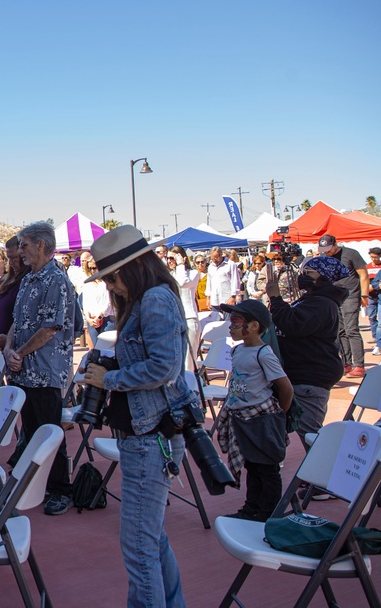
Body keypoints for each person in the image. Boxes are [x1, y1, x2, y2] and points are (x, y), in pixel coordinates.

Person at [81, 226, 196, 608]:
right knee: (150, 537)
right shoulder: (146, 299)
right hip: (144, 434)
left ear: (133, 269)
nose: (110, 286)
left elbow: (163, 367)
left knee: (138, 544)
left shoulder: (155, 300)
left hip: (151, 436)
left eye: (112, 277)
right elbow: (149, 360)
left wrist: (110, 376)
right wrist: (108, 364)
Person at [3, 221, 76, 516]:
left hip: (44, 371)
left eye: (24, 245)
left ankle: (61, 489)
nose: (20, 251)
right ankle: (36, 482)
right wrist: (8, 347)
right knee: (31, 432)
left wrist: (17, 352)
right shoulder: (28, 279)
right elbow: (17, 323)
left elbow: (49, 328)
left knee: (49, 433)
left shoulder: (55, 280)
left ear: (41, 246)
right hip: (24, 369)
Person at [213, 299, 293, 522]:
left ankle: (268, 513)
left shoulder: (263, 354)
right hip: (242, 419)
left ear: (255, 326)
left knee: (267, 468)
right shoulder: (238, 351)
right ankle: (251, 509)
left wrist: (279, 416)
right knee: (252, 466)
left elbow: (285, 388)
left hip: (261, 419)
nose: (231, 326)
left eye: (236, 321)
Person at [265, 256, 347, 456]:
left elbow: (292, 324)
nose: (303, 277)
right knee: (304, 431)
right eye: (303, 272)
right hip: (302, 373)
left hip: (311, 376)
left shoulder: (322, 304)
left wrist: (276, 299)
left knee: (310, 433)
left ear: (324, 277)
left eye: (309, 273)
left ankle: (323, 479)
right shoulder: (313, 300)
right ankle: (317, 478)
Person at [317, 235, 370, 377]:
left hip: (350, 295)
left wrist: (364, 294)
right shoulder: (324, 256)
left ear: (335, 244)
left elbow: (363, 274)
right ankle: (346, 362)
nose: (327, 252)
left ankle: (359, 365)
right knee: (340, 331)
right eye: (324, 250)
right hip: (334, 296)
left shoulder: (351, 254)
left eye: (329, 249)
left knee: (351, 329)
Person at [169, 246, 200, 359]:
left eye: (173, 258)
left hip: (189, 318)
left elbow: (182, 283)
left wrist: (180, 265)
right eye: (168, 258)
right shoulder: (170, 275)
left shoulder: (193, 273)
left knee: (189, 361)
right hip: (173, 319)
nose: (170, 261)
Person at [81, 254, 115, 348]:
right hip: (91, 319)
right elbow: (85, 302)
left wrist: (99, 317)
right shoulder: (87, 283)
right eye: (90, 268)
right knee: (96, 350)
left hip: (107, 319)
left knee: (107, 350)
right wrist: (88, 318)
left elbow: (109, 301)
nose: (92, 271)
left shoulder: (107, 281)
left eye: (95, 268)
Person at [206, 246, 241, 312]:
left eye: (216, 258)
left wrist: (233, 297)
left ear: (221, 254)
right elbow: (209, 283)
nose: (214, 260)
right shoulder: (211, 267)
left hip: (227, 300)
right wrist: (208, 298)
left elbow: (235, 281)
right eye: (212, 259)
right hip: (214, 301)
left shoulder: (230, 264)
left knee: (228, 321)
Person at [365, 247, 381, 355]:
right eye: (372, 257)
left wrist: (376, 286)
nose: (374, 259)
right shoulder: (367, 267)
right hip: (370, 296)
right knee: (371, 317)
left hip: (379, 295)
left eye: (375, 257)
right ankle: (376, 338)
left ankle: (378, 343)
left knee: (380, 322)